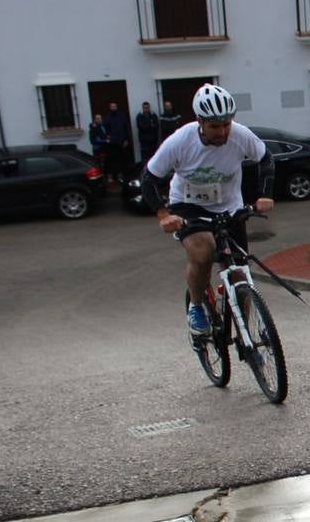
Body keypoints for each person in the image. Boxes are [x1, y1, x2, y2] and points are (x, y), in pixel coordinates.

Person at [141, 83, 275, 336]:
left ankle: (246, 332)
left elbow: (266, 159)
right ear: (200, 121)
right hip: (188, 206)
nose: (222, 132)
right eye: (215, 126)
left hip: (229, 206)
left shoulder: (240, 135)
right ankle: (197, 305)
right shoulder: (181, 141)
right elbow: (149, 179)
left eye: (226, 124)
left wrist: (265, 195)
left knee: (239, 272)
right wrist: (164, 215)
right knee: (203, 253)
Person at [104, 102, 132, 184]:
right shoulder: (107, 117)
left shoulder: (122, 116)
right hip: (112, 143)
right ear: (110, 108)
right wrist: (108, 137)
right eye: (112, 106)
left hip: (122, 142)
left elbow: (126, 128)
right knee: (113, 160)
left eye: (114, 106)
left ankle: (122, 176)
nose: (113, 108)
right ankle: (113, 176)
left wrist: (127, 139)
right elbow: (105, 129)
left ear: (117, 107)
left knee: (122, 160)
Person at [136, 101, 161, 165]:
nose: (146, 109)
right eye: (145, 108)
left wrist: (148, 125)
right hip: (144, 140)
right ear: (142, 108)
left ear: (149, 107)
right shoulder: (139, 116)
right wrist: (150, 125)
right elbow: (141, 127)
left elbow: (156, 126)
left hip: (153, 139)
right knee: (145, 157)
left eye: (147, 107)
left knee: (154, 155)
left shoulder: (153, 115)